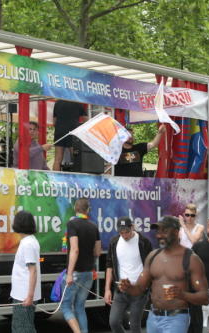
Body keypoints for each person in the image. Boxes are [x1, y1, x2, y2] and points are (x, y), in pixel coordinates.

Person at [119, 216, 209, 333]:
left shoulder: (191, 259)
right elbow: (139, 289)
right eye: (158, 231)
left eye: (164, 231)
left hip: (176, 318)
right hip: (153, 318)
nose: (159, 235)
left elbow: (205, 298)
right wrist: (128, 287)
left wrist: (182, 295)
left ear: (176, 232)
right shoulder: (153, 256)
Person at [104, 217, 153, 333]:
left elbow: (150, 266)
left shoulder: (143, 242)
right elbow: (109, 266)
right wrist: (107, 289)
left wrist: (148, 287)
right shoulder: (114, 242)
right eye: (121, 232)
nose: (125, 235)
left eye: (127, 232)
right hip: (121, 289)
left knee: (134, 324)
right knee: (114, 322)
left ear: (132, 227)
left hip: (139, 289)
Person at [61, 198, 101, 333]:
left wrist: (69, 273)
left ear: (75, 208)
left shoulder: (72, 224)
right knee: (79, 306)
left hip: (76, 272)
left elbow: (74, 249)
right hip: (88, 272)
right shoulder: (94, 226)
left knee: (66, 306)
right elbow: (97, 251)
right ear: (88, 209)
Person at [10, 211, 41, 333]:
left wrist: (29, 297)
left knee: (22, 329)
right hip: (23, 294)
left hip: (23, 296)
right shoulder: (30, 240)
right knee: (24, 327)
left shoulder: (27, 244)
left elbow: (32, 271)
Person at [52, 100, 87, 171]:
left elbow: (54, 121)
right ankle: (76, 179)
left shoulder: (58, 102)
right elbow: (86, 120)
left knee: (57, 160)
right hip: (73, 132)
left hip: (59, 131)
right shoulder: (78, 102)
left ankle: (55, 178)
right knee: (76, 158)